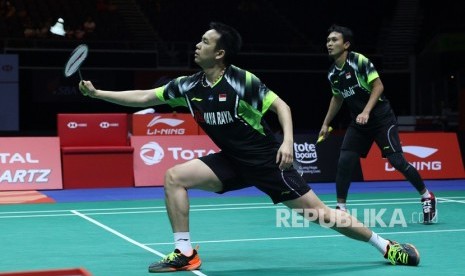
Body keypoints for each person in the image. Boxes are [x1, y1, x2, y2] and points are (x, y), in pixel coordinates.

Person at [79, 22, 420, 273]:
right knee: (174, 176)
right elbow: (143, 97)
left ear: (220, 53)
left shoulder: (240, 80)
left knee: (325, 217)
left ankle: (387, 247)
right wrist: (98, 94)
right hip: (232, 162)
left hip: (268, 163)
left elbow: (282, 107)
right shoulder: (189, 86)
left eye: (205, 42)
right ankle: (184, 252)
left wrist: (287, 142)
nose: (198, 45)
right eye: (199, 40)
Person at [319, 24, 437, 223]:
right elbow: (337, 98)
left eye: (334, 40)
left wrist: (366, 111)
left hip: (381, 118)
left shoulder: (359, 61)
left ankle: (427, 196)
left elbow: (378, 86)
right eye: (328, 40)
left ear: (346, 44)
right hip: (359, 122)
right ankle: (341, 208)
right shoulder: (333, 73)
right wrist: (325, 123)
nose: (329, 44)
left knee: (397, 161)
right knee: (344, 161)